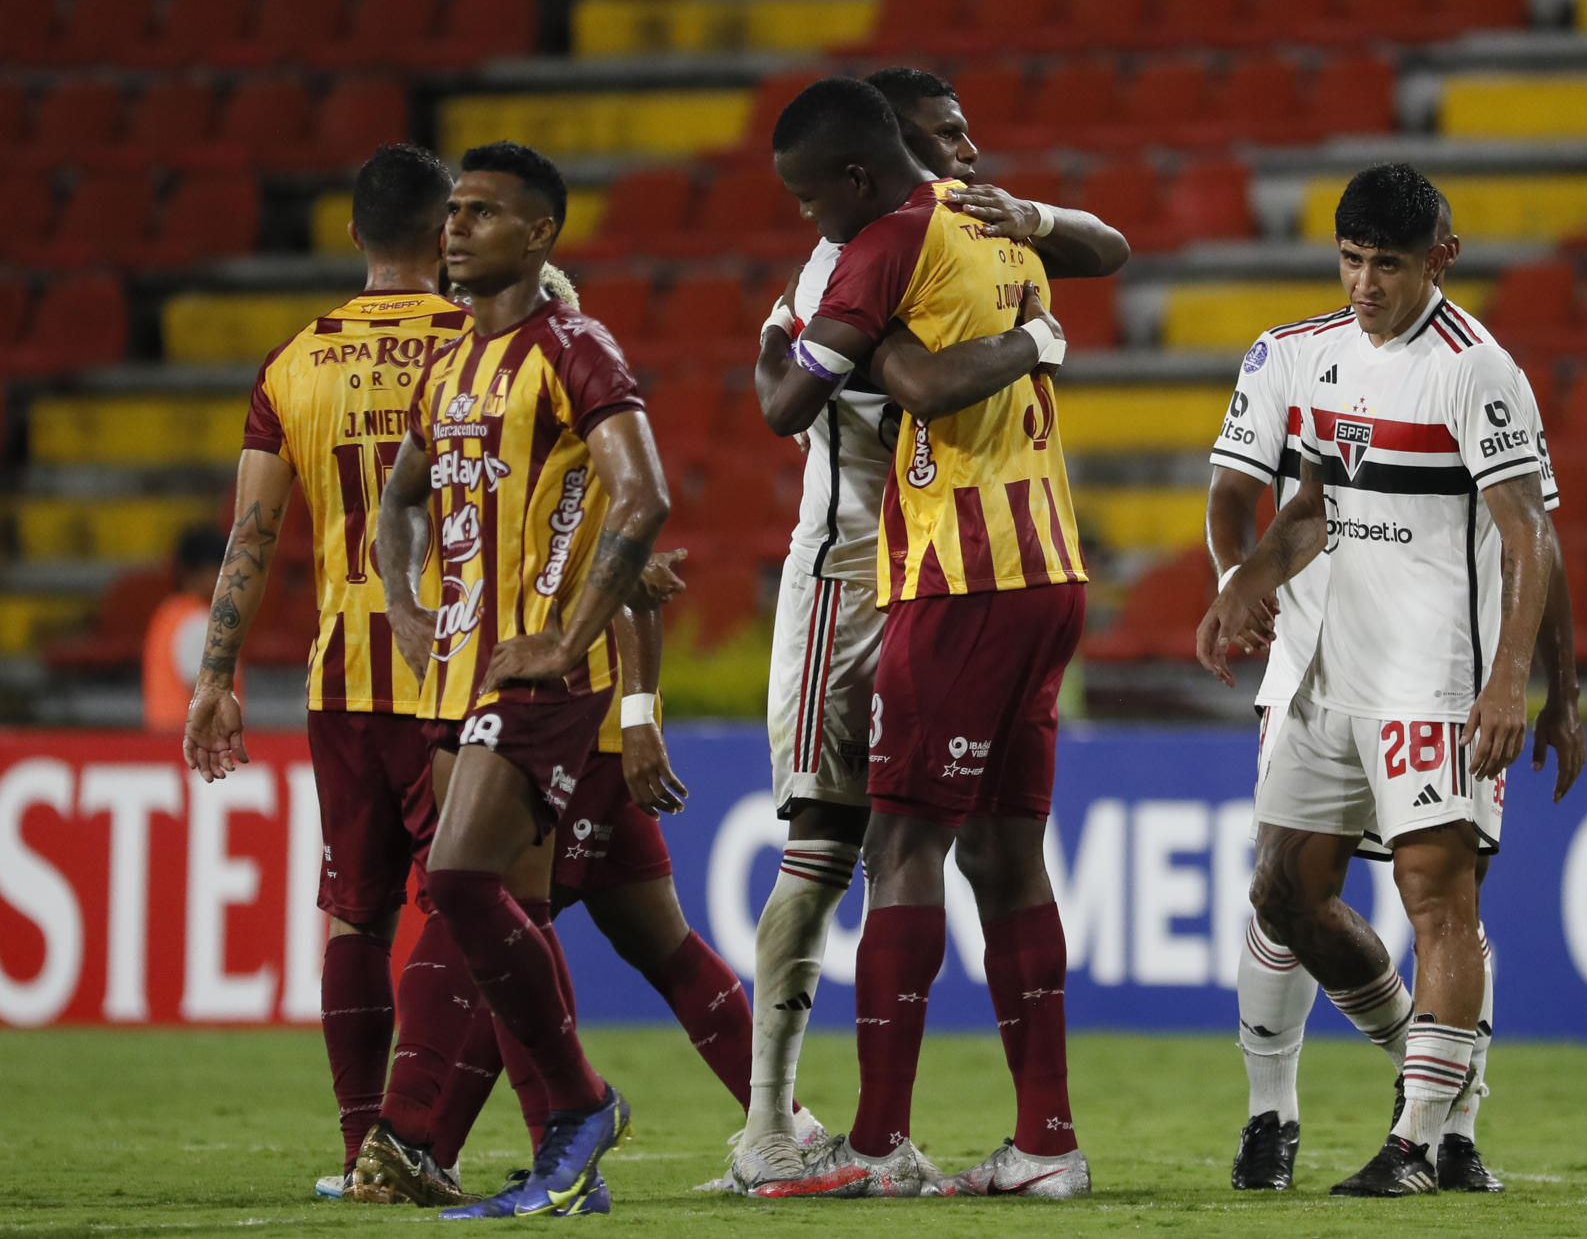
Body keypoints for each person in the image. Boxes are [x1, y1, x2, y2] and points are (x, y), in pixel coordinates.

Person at [732, 64, 1128, 1191]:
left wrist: (777, 346)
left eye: (814, 197)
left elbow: (797, 403)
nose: (812, 218)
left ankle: (867, 1145)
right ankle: (1045, 1145)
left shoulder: (883, 240)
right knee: (1008, 854)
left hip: (956, 575)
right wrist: (1038, 335)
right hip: (1050, 564)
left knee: (899, 846)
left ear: (857, 171)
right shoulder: (995, 228)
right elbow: (926, 362)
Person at [1207, 193, 1585, 1193]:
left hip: (1436, 681)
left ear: (1441, 259)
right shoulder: (1325, 356)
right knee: (1284, 891)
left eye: (1388, 265)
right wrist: (1247, 577)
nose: (1366, 285)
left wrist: (1529, 684)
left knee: (1438, 899)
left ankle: (1422, 1140)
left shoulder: (1477, 369)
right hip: (1333, 674)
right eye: (1350, 261)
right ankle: (1430, 1086)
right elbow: (1315, 507)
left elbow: (1529, 536)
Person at [420, 272, 823, 1185]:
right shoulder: (493, 449)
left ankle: (448, 1144)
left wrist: (638, 717)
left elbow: (639, 583)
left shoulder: (574, 426)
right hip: (556, 723)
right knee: (660, 948)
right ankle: (784, 1130)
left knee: (503, 927)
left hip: (574, 734)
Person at [366, 140, 671, 1220]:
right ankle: (564, 1157)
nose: (456, 228)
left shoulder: (576, 348)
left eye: (485, 212)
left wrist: (565, 635)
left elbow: (644, 499)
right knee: (509, 909)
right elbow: (395, 503)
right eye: (453, 210)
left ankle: (582, 1110)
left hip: (537, 676)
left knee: (456, 885)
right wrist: (403, 603)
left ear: (541, 236)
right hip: (457, 673)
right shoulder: (448, 366)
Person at [180, 143, 470, 1200]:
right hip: (455, 670)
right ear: (450, 231)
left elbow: (251, 535)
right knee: (470, 903)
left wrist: (218, 675)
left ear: (351, 233)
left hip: (340, 675)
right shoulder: (485, 346)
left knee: (357, 910)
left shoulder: (294, 363)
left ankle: (361, 1151)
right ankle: (416, 1134)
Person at [148, 525, 230, 732]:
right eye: (219, 570)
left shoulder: (169, 613)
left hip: (166, 738)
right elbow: (208, 698)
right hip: (195, 746)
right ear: (196, 573)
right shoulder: (198, 622)